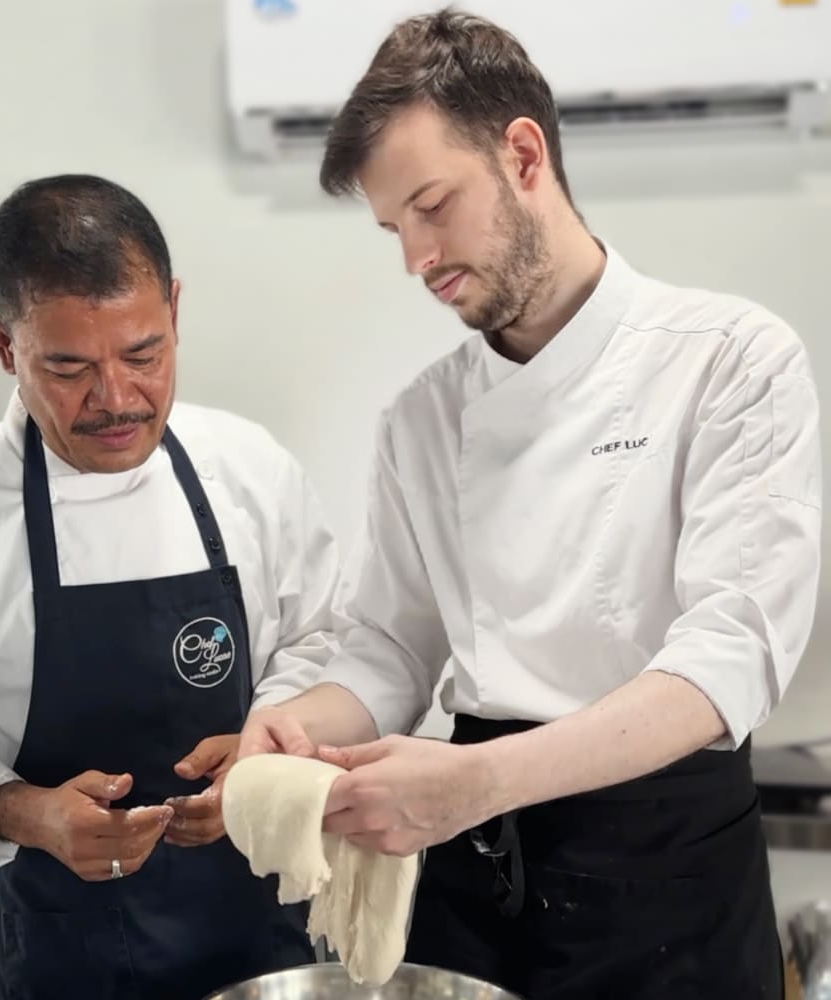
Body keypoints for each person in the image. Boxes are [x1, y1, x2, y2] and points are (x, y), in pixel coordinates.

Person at [238, 10, 822, 999]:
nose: (415, 260)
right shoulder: (421, 420)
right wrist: (296, 722)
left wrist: (472, 783)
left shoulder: (729, 360)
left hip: (663, 876)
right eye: (393, 229)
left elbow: (725, 660)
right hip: (475, 882)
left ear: (521, 154)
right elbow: (391, 644)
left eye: (431, 205)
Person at [0, 174, 341, 1000]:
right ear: (3, 342)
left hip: (261, 945)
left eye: (144, 355)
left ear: (174, 310)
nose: (116, 400)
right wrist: (28, 812)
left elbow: (321, 643)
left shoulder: (250, 471)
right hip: (55, 956)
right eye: (68, 367)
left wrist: (261, 754)